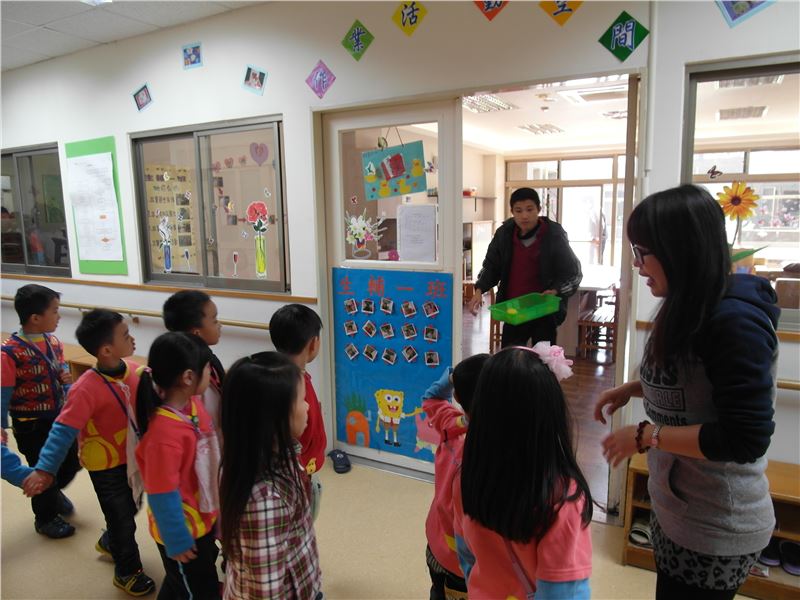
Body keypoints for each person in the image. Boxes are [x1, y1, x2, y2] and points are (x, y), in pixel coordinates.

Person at [595, 184, 780, 600]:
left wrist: (645, 436)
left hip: (716, 523)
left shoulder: (734, 323)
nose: (637, 264)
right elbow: (694, 381)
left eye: (643, 252)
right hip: (678, 509)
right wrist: (633, 388)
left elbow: (744, 438)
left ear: (679, 249)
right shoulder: (688, 303)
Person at [23, 309, 156, 596]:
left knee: (130, 507)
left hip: (134, 459)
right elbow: (62, 432)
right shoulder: (85, 389)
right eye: (125, 335)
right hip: (104, 465)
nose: (132, 339)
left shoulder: (136, 373)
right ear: (106, 350)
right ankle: (127, 571)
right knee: (121, 517)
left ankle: (111, 540)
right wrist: (44, 470)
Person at [454, 344, 592, 599]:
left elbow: (465, 552)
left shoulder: (467, 476)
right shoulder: (563, 499)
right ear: (552, 414)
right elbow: (562, 593)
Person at [219, 351, 322, 599]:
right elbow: (264, 592)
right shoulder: (265, 500)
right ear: (275, 418)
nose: (308, 406)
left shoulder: (266, 453)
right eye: (301, 400)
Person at [135, 332, 221, 600]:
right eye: (207, 369)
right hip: (182, 531)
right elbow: (161, 493)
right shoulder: (163, 435)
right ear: (188, 377)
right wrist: (176, 538)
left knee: (181, 583)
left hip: (201, 518)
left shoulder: (192, 405)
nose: (211, 374)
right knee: (198, 590)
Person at [1, 284, 80, 538]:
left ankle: (52, 491)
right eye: (54, 311)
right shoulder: (9, 352)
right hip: (31, 424)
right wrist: (1, 426)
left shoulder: (53, 342)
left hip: (59, 418)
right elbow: (2, 393)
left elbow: (61, 371)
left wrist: (67, 384)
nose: (59, 316)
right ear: (35, 318)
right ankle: (45, 518)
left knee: (72, 461)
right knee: (42, 467)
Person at [466, 187, 582, 348]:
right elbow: (491, 265)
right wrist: (479, 289)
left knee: (543, 358)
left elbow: (573, 272)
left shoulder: (553, 234)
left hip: (544, 310)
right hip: (514, 309)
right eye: (518, 211)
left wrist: (556, 290)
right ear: (512, 212)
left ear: (539, 209)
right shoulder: (504, 234)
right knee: (510, 356)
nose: (524, 216)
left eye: (529, 209)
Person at [422, 353, 490, 600]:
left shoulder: (452, 424)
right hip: (468, 565)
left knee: (438, 591)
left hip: (437, 544)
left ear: (459, 398)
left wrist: (452, 376)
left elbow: (431, 398)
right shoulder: (498, 454)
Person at [269, 304, 326, 520]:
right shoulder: (295, 385)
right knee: (302, 522)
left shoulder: (277, 377)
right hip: (301, 476)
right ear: (313, 343)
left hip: (298, 472)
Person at [163, 291, 224, 434]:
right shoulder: (183, 374)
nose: (220, 325)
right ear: (196, 333)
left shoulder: (210, 359)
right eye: (214, 320)